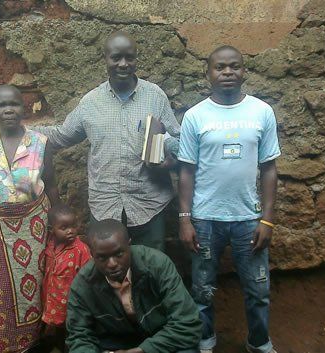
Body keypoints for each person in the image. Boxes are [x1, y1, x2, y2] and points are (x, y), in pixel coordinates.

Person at [177, 45, 280, 353]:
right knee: (203, 289)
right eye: (220, 67)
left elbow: (269, 169)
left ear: (243, 70)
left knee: (258, 289)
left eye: (234, 66)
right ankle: (205, 341)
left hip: (249, 219)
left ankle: (259, 343)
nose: (227, 73)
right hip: (206, 219)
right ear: (208, 73)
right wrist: (185, 219)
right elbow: (186, 172)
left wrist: (268, 218)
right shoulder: (195, 116)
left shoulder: (261, 112)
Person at [37, 31, 181, 251]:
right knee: (107, 272)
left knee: (152, 271)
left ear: (136, 58)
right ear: (105, 58)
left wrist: (171, 161)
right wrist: (23, 133)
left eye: (129, 57)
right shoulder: (90, 102)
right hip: (105, 204)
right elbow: (63, 135)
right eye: (116, 58)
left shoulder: (155, 96)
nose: (123, 64)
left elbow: (176, 139)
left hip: (149, 202)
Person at [0, 85, 59, 353]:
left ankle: (37, 340)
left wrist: (59, 222)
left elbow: (50, 186)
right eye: (1, 105)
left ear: (23, 107)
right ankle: (8, 343)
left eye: (14, 104)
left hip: (35, 226)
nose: (8, 110)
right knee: (2, 290)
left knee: (38, 284)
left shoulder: (40, 143)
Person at [66, 219, 202, 353]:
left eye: (119, 254)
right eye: (102, 258)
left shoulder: (157, 265)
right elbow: (79, 337)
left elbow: (188, 323)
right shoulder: (83, 285)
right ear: (92, 255)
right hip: (116, 342)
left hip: (162, 336)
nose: (112, 263)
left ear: (129, 246)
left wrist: (143, 350)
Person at [40, 204, 91, 352]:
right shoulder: (49, 245)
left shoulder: (81, 249)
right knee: (59, 328)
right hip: (53, 299)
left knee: (73, 328)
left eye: (73, 226)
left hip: (72, 302)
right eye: (64, 227)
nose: (70, 231)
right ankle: (60, 345)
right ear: (52, 230)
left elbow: (89, 275)